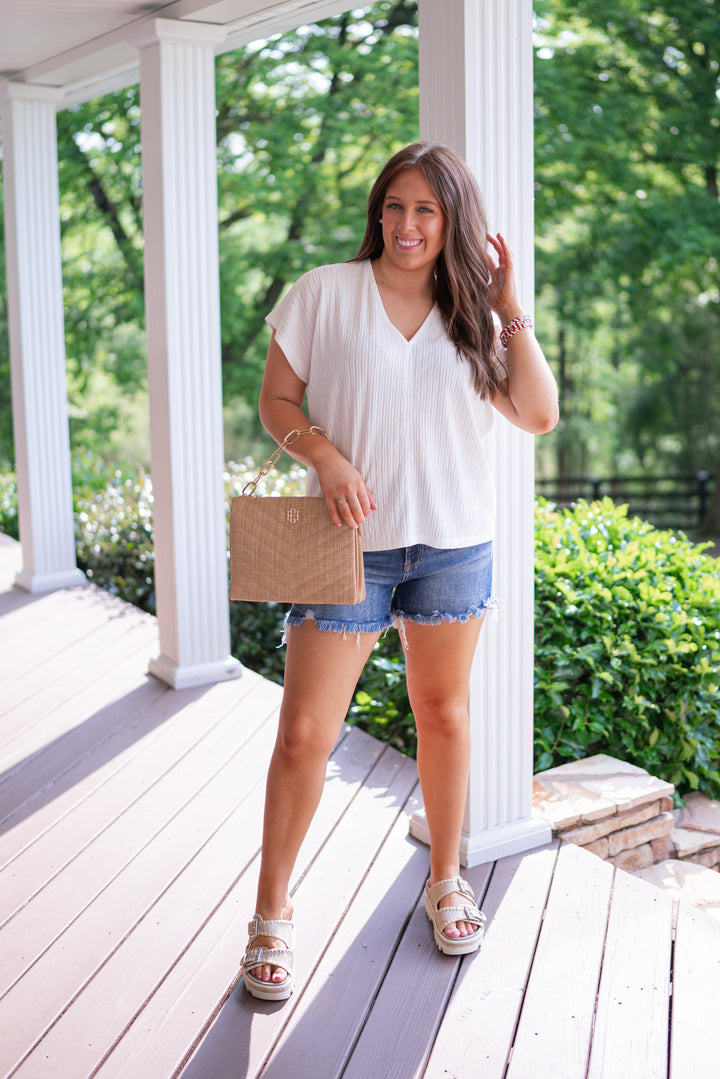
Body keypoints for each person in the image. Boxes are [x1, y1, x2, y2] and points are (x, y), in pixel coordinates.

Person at [240, 142, 559, 1001]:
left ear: (452, 220)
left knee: (444, 714)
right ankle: (272, 912)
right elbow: (277, 400)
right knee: (306, 733)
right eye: (394, 206)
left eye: (426, 210)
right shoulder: (324, 294)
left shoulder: (474, 315)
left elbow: (537, 412)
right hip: (341, 539)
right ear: (377, 213)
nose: (407, 225)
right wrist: (327, 459)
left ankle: (446, 878)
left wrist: (509, 307)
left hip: (453, 543)